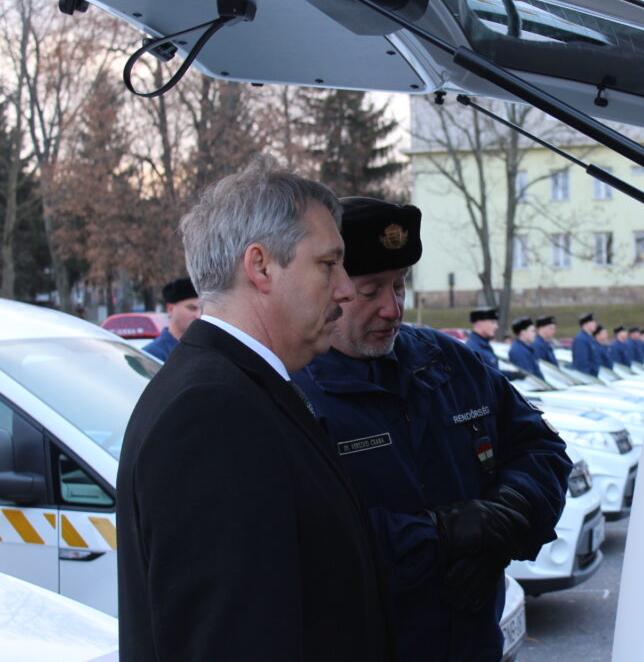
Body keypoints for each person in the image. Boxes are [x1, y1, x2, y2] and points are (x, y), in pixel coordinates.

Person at [117, 158, 394, 662]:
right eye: (328, 264)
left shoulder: (237, 387)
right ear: (261, 266)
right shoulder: (211, 412)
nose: (346, 288)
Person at [293, 198, 571, 662]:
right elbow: (313, 537)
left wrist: (501, 522)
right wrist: (444, 541)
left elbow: (541, 450)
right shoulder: (294, 389)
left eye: (399, 286)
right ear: (331, 288)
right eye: (371, 290)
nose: (392, 308)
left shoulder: (446, 361)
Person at [142, 277, 201, 360]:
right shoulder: (152, 355)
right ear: (170, 308)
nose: (198, 316)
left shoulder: (205, 351)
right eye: (192, 308)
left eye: (202, 309)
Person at [571, 312, 602, 377]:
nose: (595, 324)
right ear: (585, 324)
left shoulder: (589, 339)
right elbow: (582, 363)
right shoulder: (581, 339)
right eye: (592, 322)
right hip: (587, 378)